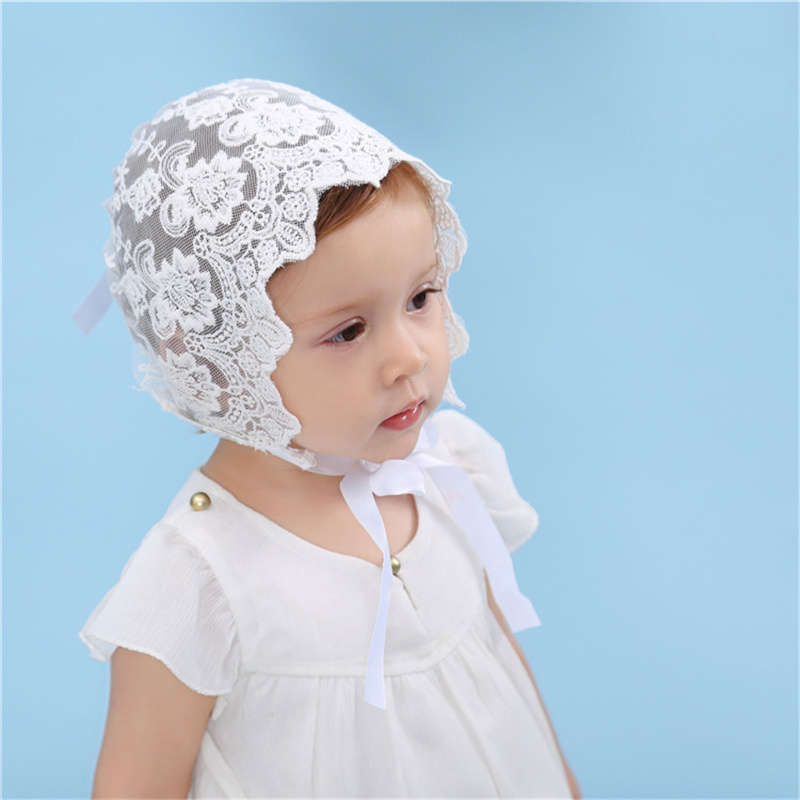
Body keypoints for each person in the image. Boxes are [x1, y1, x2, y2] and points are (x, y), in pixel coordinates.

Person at [77, 79, 580, 799]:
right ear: (219, 359)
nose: (408, 356)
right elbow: (136, 785)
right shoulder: (201, 578)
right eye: (348, 331)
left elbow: (502, 682)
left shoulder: (445, 474)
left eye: (420, 297)